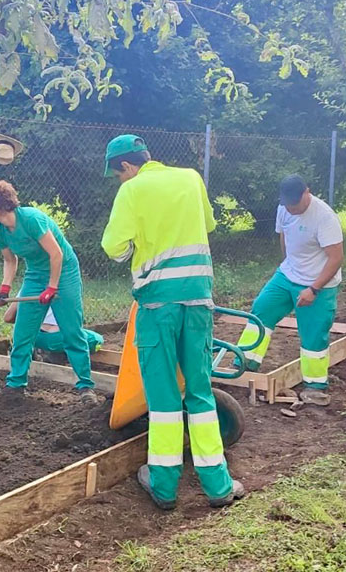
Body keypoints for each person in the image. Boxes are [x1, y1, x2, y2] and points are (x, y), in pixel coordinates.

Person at [101, 133, 245, 510]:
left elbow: (113, 247)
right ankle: (218, 485)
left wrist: (137, 245)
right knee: (199, 390)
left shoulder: (132, 191)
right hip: (198, 300)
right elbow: (209, 224)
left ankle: (164, 486)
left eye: (118, 174)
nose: (120, 180)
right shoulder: (191, 178)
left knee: (164, 397)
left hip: (157, 306)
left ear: (127, 167)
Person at [0, 180, 97, 403]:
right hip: (35, 273)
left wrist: (52, 287)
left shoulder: (31, 219)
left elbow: (57, 254)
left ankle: (85, 387)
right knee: (23, 332)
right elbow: (10, 261)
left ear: (3, 204)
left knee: (71, 331)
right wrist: (5, 289)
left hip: (63, 272)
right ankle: (15, 384)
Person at [235, 174, 344, 406]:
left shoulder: (324, 217)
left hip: (319, 283)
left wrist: (313, 289)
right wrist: (287, 266)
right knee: (261, 310)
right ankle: (245, 362)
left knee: (313, 334)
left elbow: (336, 259)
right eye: (288, 204)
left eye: (296, 204)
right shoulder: (284, 208)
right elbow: (284, 236)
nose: (292, 209)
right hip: (287, 275)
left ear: (307, 192)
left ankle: (316, 387)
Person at [2, 303, 104, 361]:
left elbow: (8, 318)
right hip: (57, 337)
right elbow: (74, 325)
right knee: (96, 340)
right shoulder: (67, 288)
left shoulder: (28, 287)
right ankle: (60, 353)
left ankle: (31, 350)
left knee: (22, 330)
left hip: (33, 336)